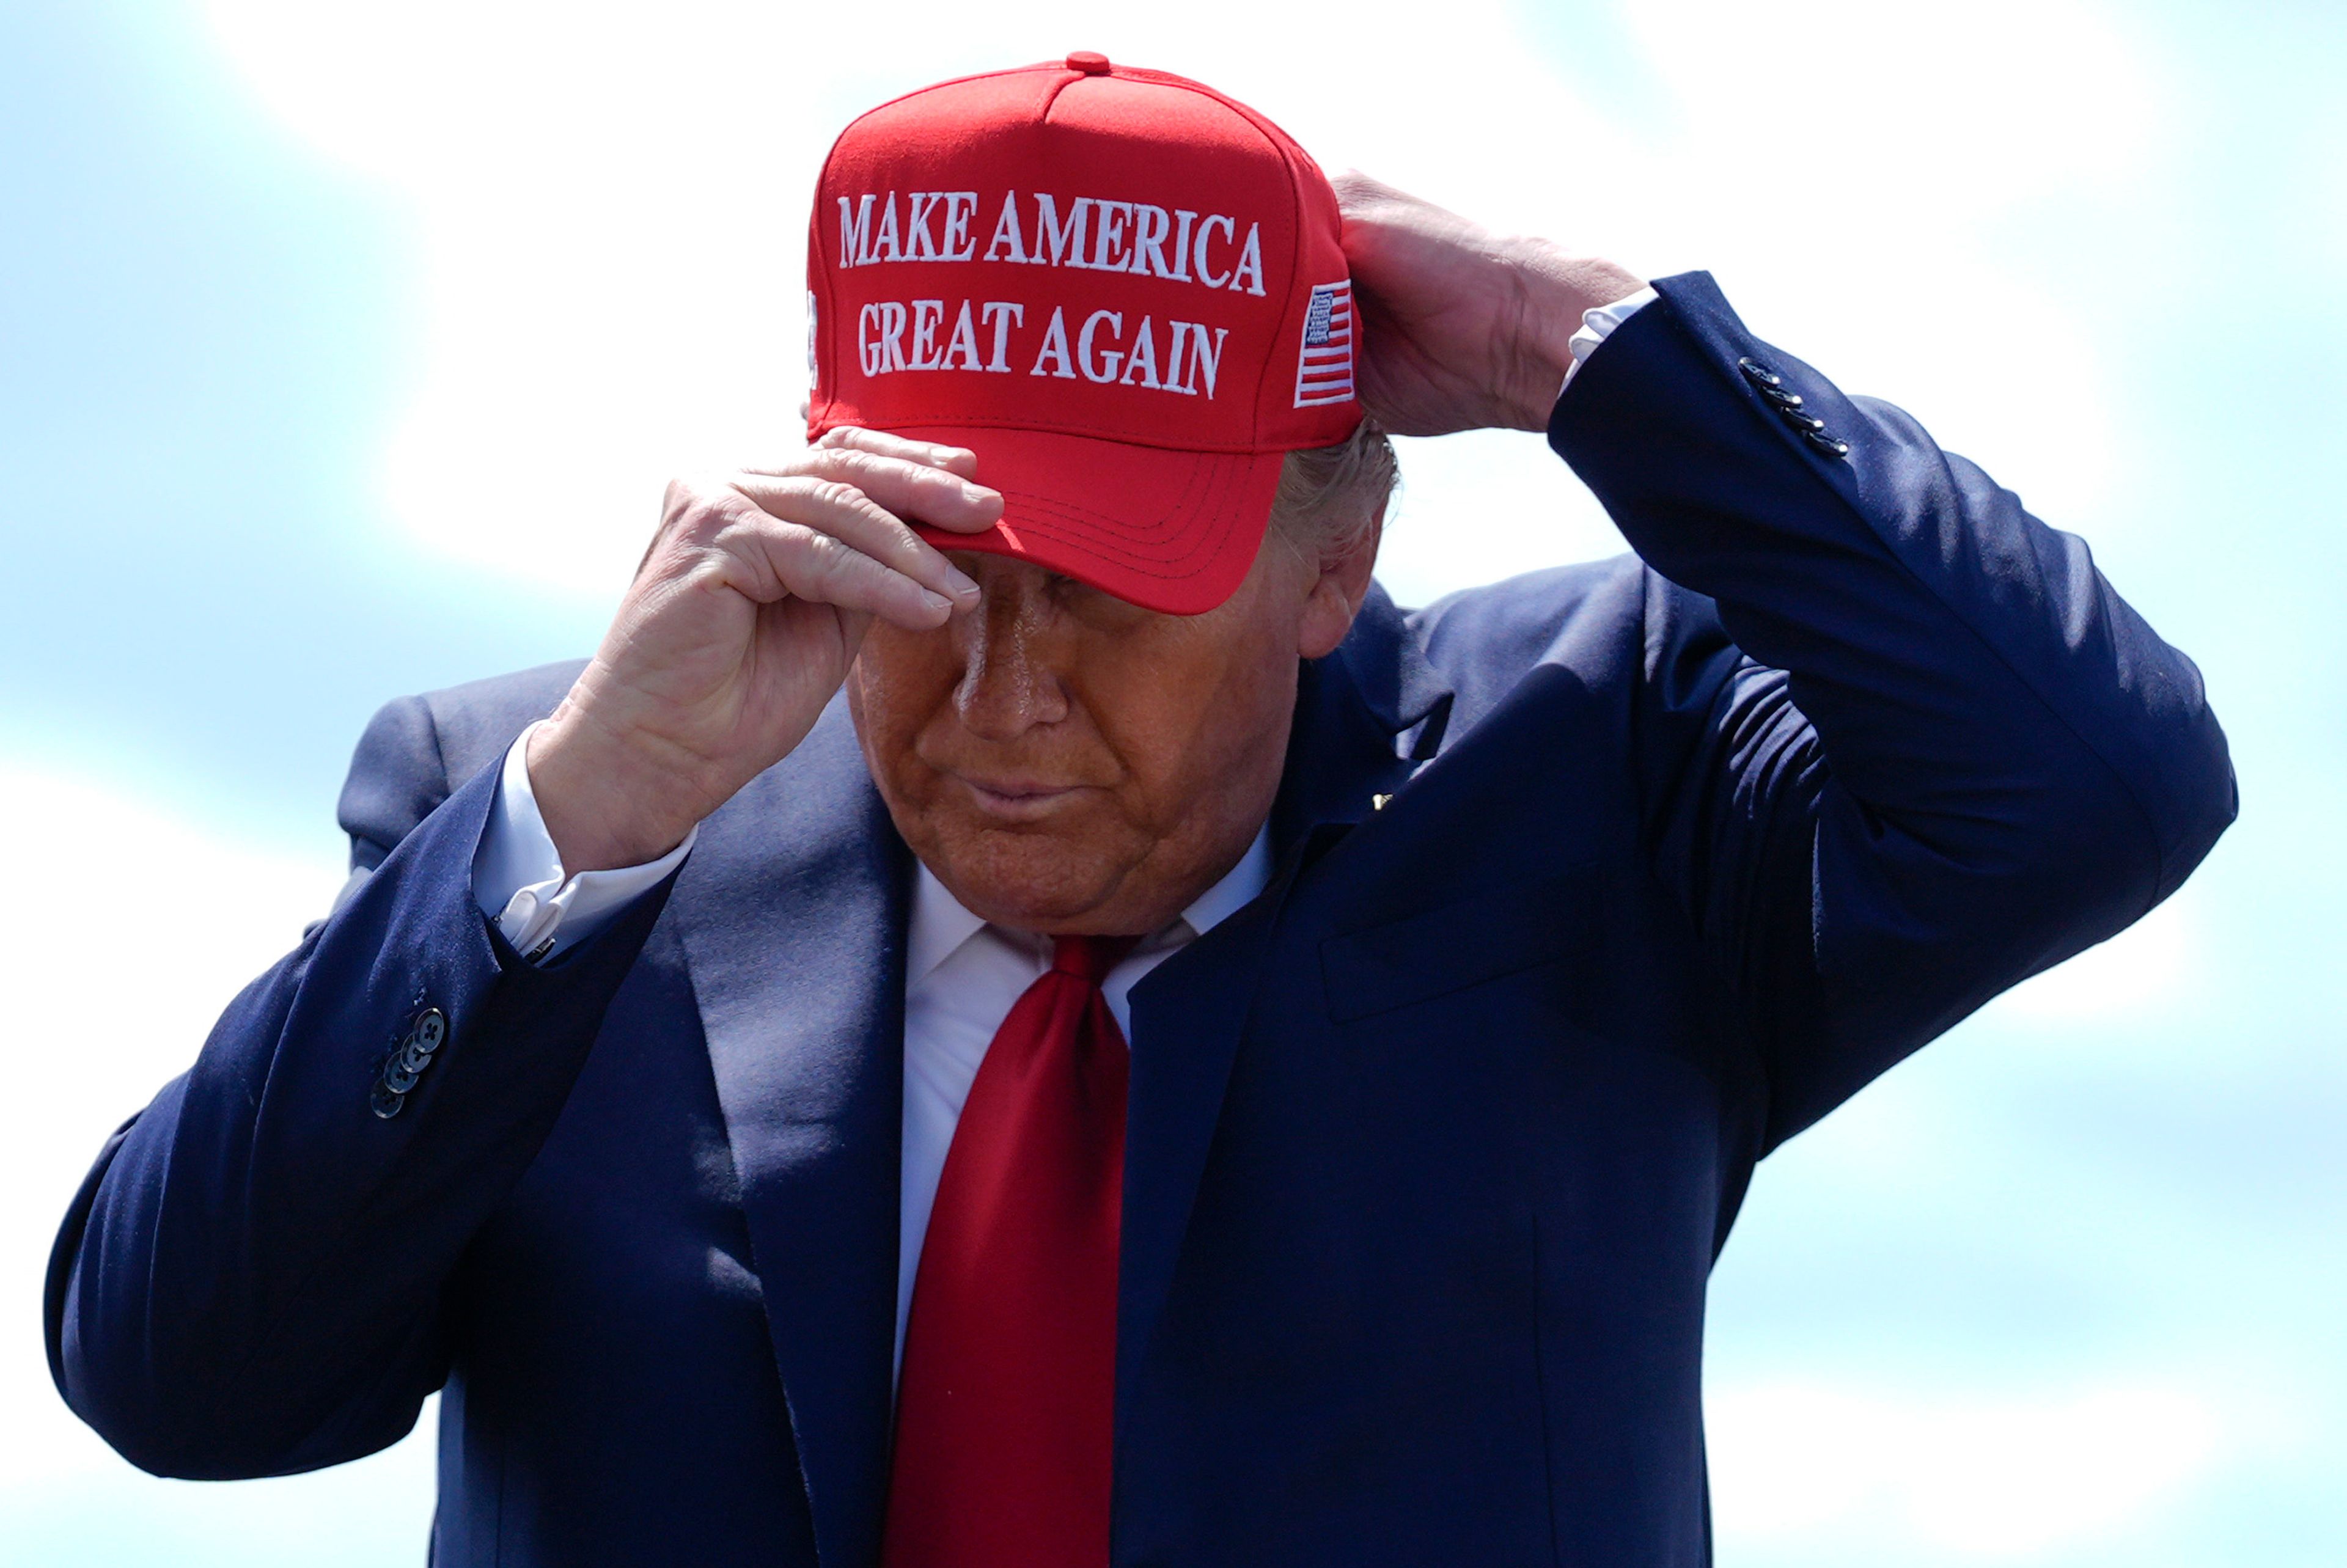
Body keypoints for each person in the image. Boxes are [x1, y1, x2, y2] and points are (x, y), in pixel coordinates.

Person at [45, 52, 2233, 1568]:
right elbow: (183, 1378)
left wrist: (1591, 342)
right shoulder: (551, 811)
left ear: (1331, 563)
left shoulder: (1603, 773)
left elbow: (2097, 784)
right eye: (932, 579)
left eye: (1109, 600)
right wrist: (575, 829)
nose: (1006, 699)